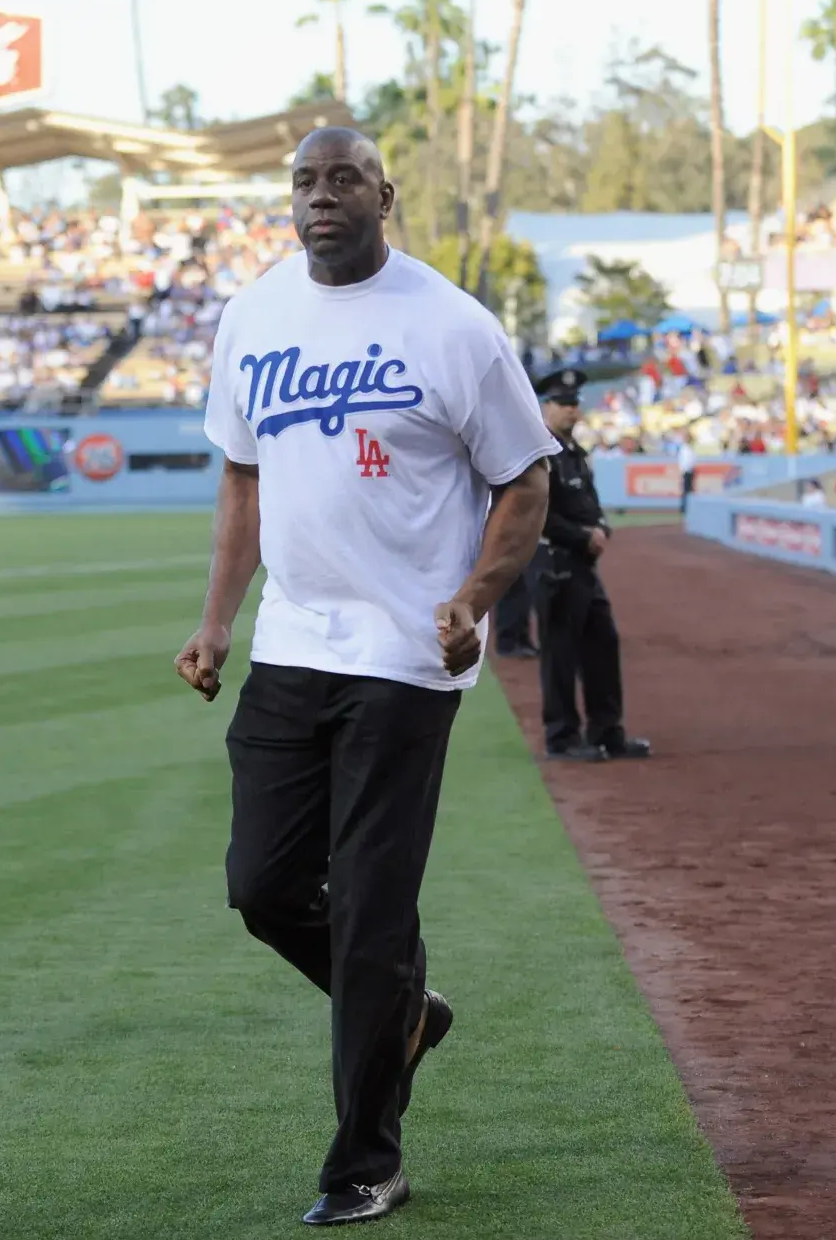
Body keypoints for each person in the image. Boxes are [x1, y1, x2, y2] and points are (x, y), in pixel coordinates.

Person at [174, 126, 557, 1228]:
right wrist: (215, 622)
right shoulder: (251, 315)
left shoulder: (451, 325)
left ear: (384, 193)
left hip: (403, 655)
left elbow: (524, 479)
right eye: (304, 180)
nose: (321, 195)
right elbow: (243, 482)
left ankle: (364, 1161)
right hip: (294, 645)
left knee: (374, 908)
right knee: (261, 885)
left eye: (343, 178)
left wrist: (472, 602)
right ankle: (404, 1010)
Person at [534, 365, 652, 762]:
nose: (571, 410)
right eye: (563, 403)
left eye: (574, 403)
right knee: (561, 652)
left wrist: (600, 526)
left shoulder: (574, 454)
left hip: (583, 564)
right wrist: (583, 535)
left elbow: (590, 503)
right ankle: (562, 737)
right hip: (554, 562)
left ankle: (607, 731)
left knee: (603, 643)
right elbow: (538, 515)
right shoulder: (539, 453)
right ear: (545, 406)